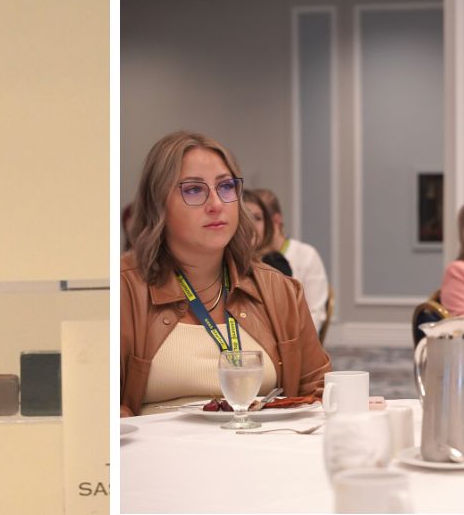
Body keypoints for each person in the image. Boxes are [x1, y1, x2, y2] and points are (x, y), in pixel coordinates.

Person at [119, 131, 331, 417]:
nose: (217, 204)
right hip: (160, 455)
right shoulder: (123, 288)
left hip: (257, 450)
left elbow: (317, 392)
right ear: (158, 204)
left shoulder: (278, 290)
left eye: (226, 187)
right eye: (194, 189)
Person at [251, 188, 330, 333]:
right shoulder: (247, 259)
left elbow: (315, 315)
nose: (251, 226)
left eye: (257, 218)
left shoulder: (306, 255)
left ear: (276, 220)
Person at [239, 189, 294, 277]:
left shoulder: (276, 263)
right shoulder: (220, 262)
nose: (252, 224)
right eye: (246, 217)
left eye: (258, 218)